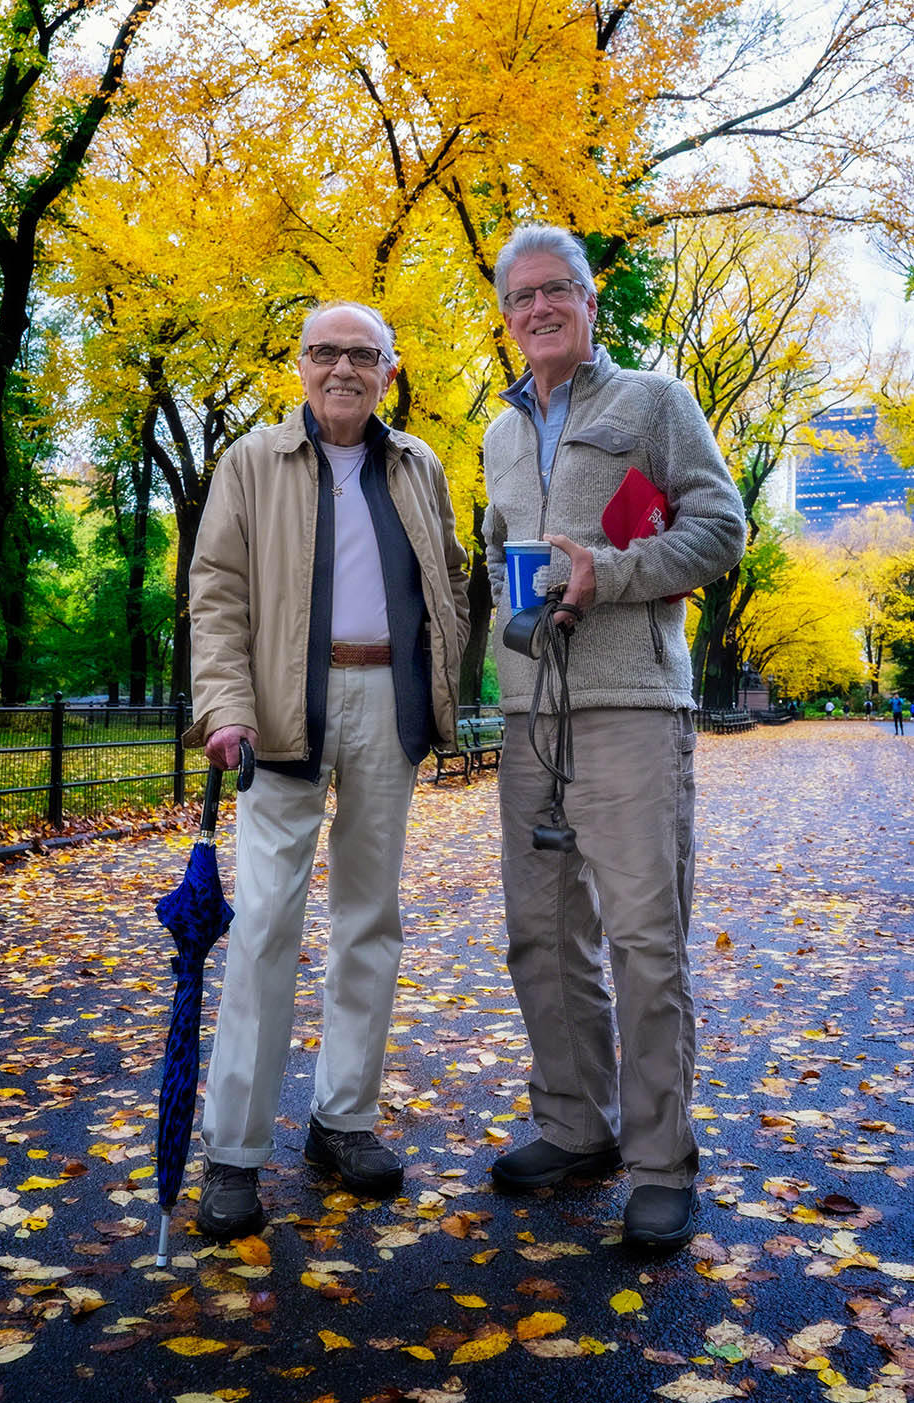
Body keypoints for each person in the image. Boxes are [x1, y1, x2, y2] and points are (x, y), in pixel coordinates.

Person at [482, 225, 746, 1250]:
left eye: (557, 291)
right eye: (520, 298)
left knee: (642, 935)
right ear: (506, 318)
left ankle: (660, 1161)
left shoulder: (654, 402)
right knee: (541, 934)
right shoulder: (499, 433)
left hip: (632, 702)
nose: (538, 309)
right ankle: (573, 1126)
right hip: (526, 712)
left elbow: (720, 529)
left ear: (590, 302)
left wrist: (612, 570)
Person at [185, 300, 469, 1239]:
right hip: (278, 714)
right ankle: (234, 1151)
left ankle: (343, 1120)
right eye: (325, 353)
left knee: (369, 920)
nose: (342, 368)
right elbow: (216, 592)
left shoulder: (418, 463)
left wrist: (443, 687)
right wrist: (224, 706)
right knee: (265, 923)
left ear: (390, 369)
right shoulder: (253, 461)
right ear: (300, 366)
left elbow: (450, 578)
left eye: (363, 354)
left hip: (387, 708)